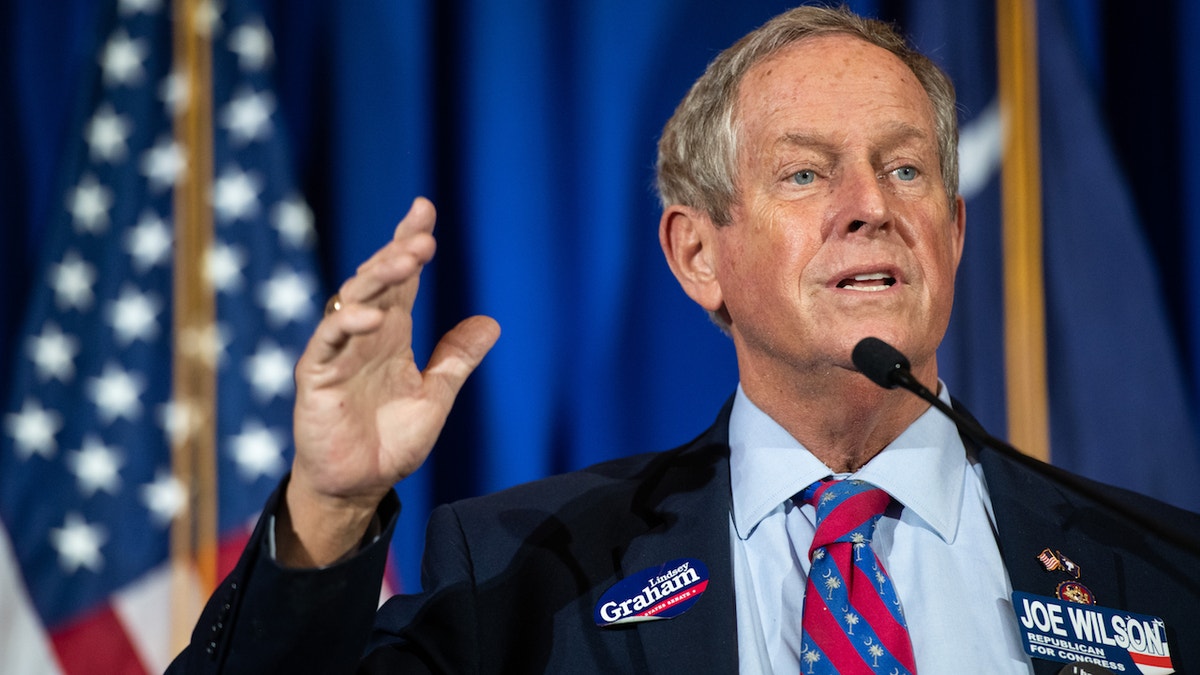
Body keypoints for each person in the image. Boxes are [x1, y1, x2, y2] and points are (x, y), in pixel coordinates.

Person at [170, 5, 1200, 673]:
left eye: (907, 169)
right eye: (804, 174)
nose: (868, 207)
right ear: (698, 255)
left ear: (956, 230)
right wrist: (331, 506)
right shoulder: (525, 578)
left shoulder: (1156, 570)